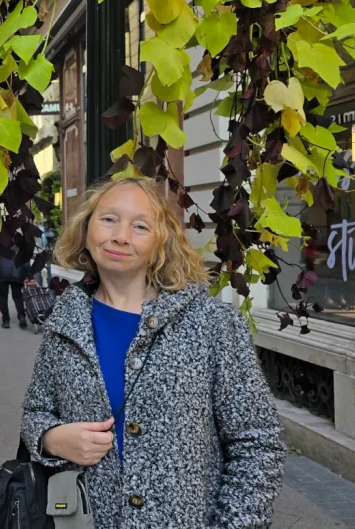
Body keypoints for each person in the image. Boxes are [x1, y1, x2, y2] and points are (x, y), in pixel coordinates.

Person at [21, 178, 284, 528]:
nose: (121, 236)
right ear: (86, 229)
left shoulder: (212, 325)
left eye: (140, 226)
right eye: (109, 219)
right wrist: (51, 438)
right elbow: (36, 410)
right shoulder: (65, 323)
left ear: (161, 242)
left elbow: (257, 443)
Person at [0, 245, 28, 329]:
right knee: (17, 296)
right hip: (17, 273)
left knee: (3, 296)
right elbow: (26, 260)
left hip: (1, 273)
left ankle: (6, 321)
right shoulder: (20, 244)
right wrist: (27, 274)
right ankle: (21, 316)